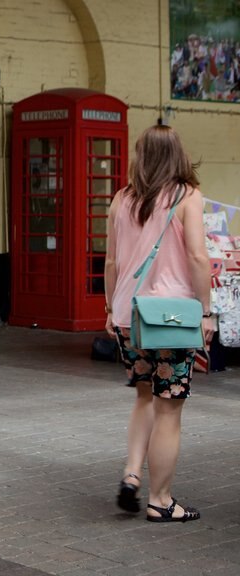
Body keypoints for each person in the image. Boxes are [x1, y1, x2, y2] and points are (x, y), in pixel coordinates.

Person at [105, 124, 215, 523]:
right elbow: (199, 258)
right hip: (172, 320)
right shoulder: (188, 196)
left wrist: (109, 309)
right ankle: (161, 500)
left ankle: (132, 474)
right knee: (169, 409)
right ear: (177, 154)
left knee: (144, 395)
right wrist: (205, 311)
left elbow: (112, 262)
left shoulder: (122, 198)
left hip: (127, 316)